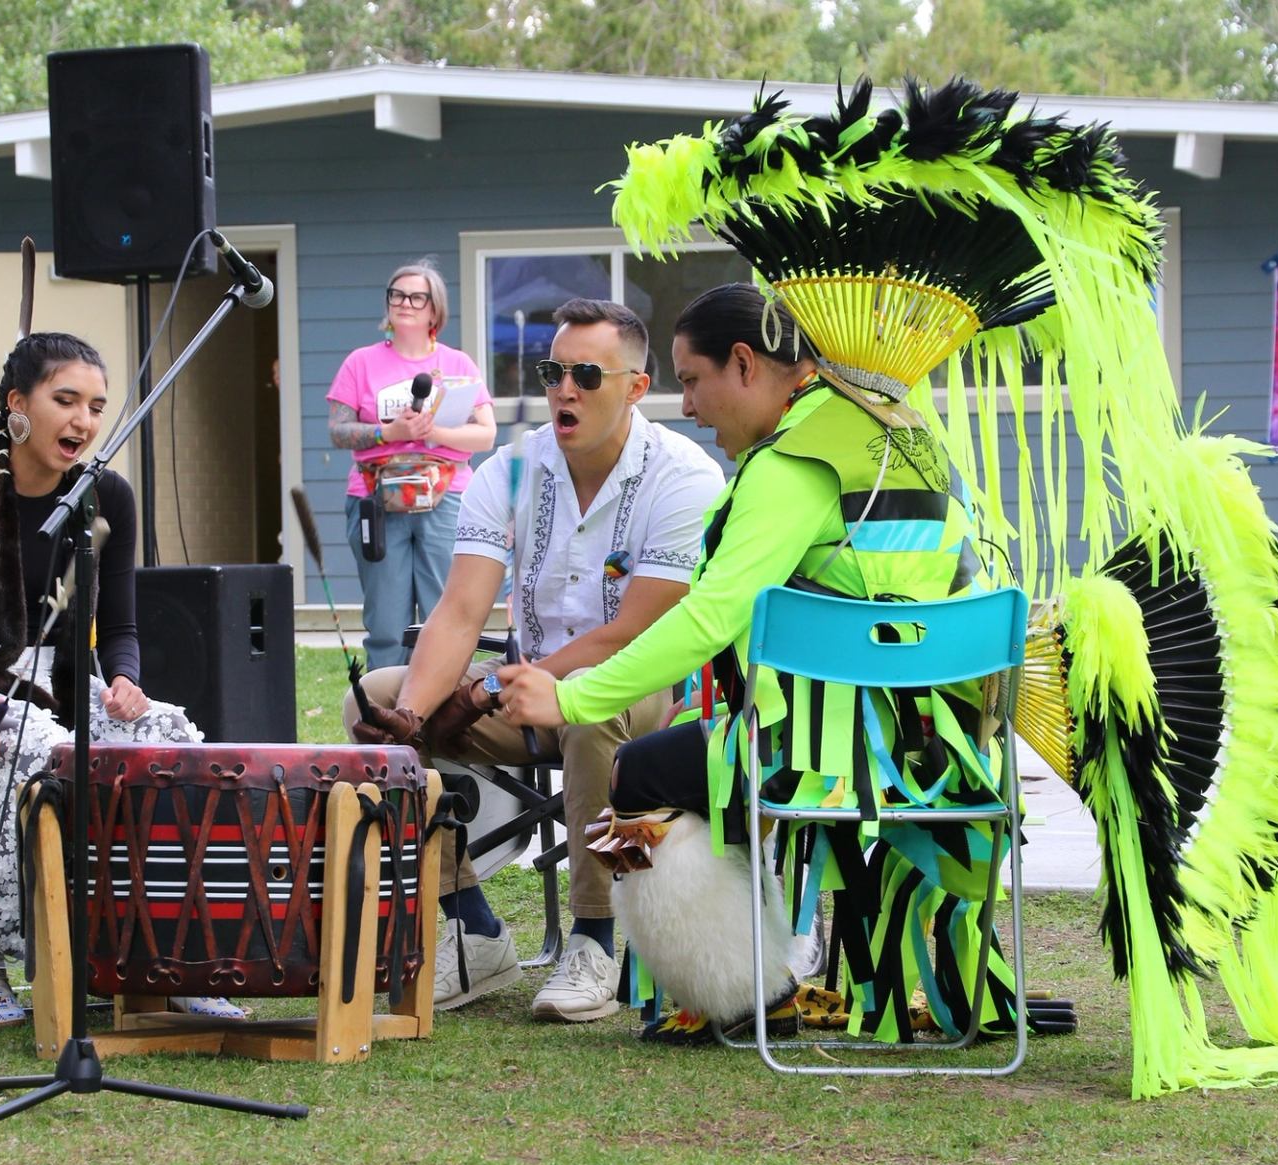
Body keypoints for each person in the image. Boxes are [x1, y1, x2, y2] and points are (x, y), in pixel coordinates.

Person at [496, 280, 1011, 1044]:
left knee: (638, 771)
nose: (691, 407)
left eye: (694, 380)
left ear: (744, 363)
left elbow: (710, 616)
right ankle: (782, 975)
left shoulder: (792, 464)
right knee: (693, 742)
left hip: (831, 753)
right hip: (943, 750)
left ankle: (734, 994)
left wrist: (572, 698)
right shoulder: (900, 432)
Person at [344, 298, 724, 1020]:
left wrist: (489, 688)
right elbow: (459, 611)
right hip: (526, 693)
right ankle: (471, 926)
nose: (563, 389)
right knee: (378, 700)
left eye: (586, 373)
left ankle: (595, 939)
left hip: (648, 702)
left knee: (591, 697)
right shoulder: (509, 471)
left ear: (637, 387)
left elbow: (633, 636)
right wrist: (413, 713)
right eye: (553, 371)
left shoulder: (686, 477)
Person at [0, 332, 227, 1028]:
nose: (84, 422)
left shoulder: (109, 497)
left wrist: (125, 681)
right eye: (65, 400)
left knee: (168, 734)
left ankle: (165, 951)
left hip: (52, 667)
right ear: (17, 405)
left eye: (95, 406)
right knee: (27, 745)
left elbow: (117, 630)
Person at [327, 261, 498, 671]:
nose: (405, 303)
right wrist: (391, 432)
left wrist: (432, 430)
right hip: (375, 501)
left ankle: (447, 717)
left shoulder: (458, 364)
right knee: (386, 621)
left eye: (416, 296)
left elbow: (486, 434)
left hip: (447, 499)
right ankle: (386, 719)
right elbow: (338, 431)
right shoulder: (360, 363)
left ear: (434, 310)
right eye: (396, 295)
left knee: (448, 613)